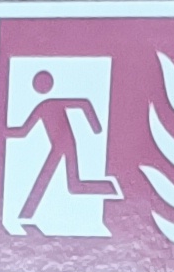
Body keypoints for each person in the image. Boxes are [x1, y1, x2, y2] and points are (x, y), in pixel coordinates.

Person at [12, 69, 122, 232]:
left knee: (59, 180)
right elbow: (24, 130)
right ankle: (109, 188)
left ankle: (26, 214)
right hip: (62, 145)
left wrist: (95, 126)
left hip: (65, 144)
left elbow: (83, 103)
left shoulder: (48, 105)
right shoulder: (43, 107)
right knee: (73, 184)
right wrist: (3, 132)